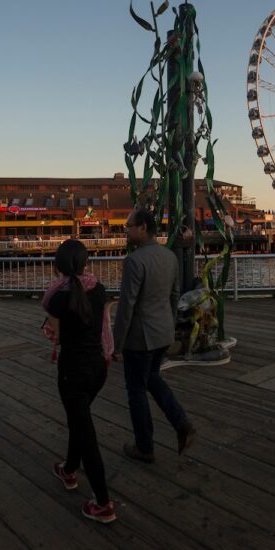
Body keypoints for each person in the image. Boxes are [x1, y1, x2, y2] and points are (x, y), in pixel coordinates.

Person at [113, 208, 196, 463]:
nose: (126, 230)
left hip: (140, 337)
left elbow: (127, 305)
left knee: (136, 391)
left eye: (129, 225)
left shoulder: (134, 261)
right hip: (162, 333)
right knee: (152, 379)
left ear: (144, 228)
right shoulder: (169, 257)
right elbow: (175, 295)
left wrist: (117, 344)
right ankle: (182, 424)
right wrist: (169, 325)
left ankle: (145, 446)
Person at [43, 239, 116, 524]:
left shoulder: (57, 299)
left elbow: (56, 336)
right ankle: (69, 468)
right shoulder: (99, 290)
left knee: (86, 433)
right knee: (80, 418)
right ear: (86, 263)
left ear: (58, 266)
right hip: (97, 368)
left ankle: (102, 503)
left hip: (72, 370)